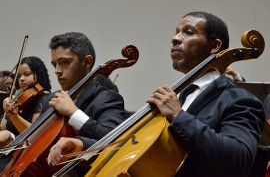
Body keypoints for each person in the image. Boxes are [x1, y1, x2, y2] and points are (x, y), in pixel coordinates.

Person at [145, 11, 265, 177]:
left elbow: (239, 160)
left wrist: (179, 116)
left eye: (188, 32)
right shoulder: (176, 97)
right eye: (177, 32)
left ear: (215, 46)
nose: (175, 38)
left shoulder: (240, 101)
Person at [45, 32, 126, 175]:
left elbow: (115, 141)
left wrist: (74, 113)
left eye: (64, 62)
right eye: (54, 64)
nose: (57, 71)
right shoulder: (53, 99)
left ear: (87, 62)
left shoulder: (108, 98)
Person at [0, 56, 51, 171]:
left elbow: (34, 133)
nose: (21, 79)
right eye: (19, 76)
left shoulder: (44, 98)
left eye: (26, 74)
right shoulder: (18, 98)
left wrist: (13, 115)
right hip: (7, 153)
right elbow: (2, 128)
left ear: (38, 74)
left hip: (25, 157)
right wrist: (5, 111)